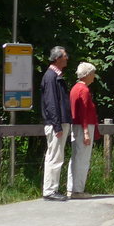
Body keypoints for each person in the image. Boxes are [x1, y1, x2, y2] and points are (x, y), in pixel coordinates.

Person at [39, 45, 72, 201]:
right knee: (55, 157)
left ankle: (52, 189)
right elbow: (51, 103)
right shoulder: (51, 76)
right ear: (58, 58)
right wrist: (57, 125)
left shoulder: (55, 76)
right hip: (56, 124)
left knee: (55, 156)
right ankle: (50, 191)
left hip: (57, 123)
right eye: (65, 55)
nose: (67, 58)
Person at [67, 61, 101, 199]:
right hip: (84, 127)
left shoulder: (74, 88)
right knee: (83, 159)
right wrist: (86, 132)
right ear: (87, 75)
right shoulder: (84, 90)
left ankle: (71, 188)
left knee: (75, 158)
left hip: (75, 126)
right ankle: (78, 190)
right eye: (92, 74)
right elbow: (85, 113)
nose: (93, 77)